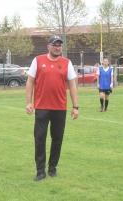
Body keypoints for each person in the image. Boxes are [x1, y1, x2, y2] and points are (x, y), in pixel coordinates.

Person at [26, 35, 79, 181]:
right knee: (40, 139)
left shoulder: (66, 63)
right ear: (48, 46)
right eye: (54, 45)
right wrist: (29, 102)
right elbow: (30, 82)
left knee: (57, 140)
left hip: (59, 108)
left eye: (59, 45)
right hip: (42, 107)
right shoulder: (38, 60)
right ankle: (40, 171)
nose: (57, 47)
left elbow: (72, 85)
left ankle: (52, 168)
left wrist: (75, 106)